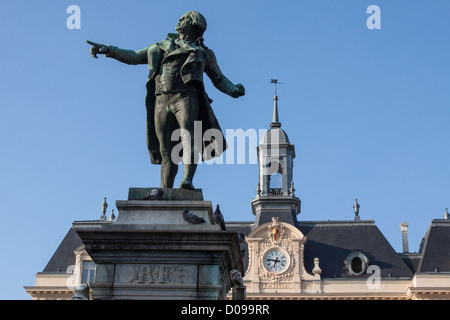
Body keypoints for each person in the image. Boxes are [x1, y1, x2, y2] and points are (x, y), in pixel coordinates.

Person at [87, 11, 245, 189]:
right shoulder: (160, 47)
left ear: (194, 24)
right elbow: (133, 56)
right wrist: (109, 50)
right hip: (161, 99)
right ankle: (165, 190)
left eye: (184, 18)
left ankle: (187, 180)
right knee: (166, 150)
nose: (179, 20)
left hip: (186, 97)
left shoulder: (204, 53)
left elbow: (218, 78)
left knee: (188, 138)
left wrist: (232, 89)